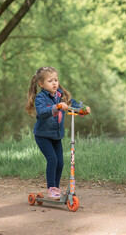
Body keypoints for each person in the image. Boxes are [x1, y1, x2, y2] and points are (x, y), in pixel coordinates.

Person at [25, 66, 91, 199]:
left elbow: (72, 102)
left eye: (56, 80)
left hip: (56, 136)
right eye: (50, 81)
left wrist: (82, 109)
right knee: (52, 159)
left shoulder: (61, 95)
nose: (54, 83)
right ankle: (52, 188)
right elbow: (42, 112)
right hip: (43, 135)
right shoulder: (41, 98)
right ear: (41, 84)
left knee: (60, 162)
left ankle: (56, 186)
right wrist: (57, 107)